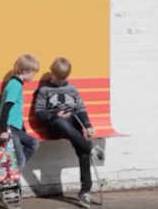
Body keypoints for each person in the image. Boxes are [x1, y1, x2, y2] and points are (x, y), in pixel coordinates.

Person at [33, 57, 104, 208]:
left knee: (82, 151)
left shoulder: (72, 89)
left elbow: (81, 109)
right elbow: (39, 113)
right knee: (62, 123)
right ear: (52, 73)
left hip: (73, 124)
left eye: (63, 78)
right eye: (57, 78)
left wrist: (86, 126)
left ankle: (85, 192)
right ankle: (91, 148)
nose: (59, 81)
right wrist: (54, 115)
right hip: (55, 125)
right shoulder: (44, 90)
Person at [0, 54, 40, 171]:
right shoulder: (14, 86)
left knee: (33, 143)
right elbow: (6, 107)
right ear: (25, 71)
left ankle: (11, 171)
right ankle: (12, 174)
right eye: (33, 72)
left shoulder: (18, 85)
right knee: (20, 160)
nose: (34, 76)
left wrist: (23, 130)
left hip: (15, 128)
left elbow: (16, 112)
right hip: (8, 128)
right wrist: (3, 130)